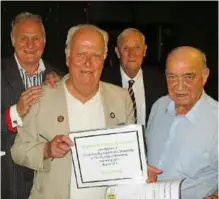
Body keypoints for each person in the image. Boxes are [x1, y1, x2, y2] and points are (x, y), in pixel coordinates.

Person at [10, 24, 135, 199]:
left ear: (104, 59)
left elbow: (130, 155)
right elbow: (18, 151)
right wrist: (46, 150)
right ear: (68, 57)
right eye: (81, 54)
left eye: (96, 55)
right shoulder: (41, 98)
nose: (88, 63)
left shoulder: (121, 99)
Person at [1, 12, 63, 199]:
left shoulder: (60, 77)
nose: (30, 45)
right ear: (13, 40)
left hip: (49, 180)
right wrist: (16, 111)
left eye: (36, 38)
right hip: (7, 178)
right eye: (23, 38)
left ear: (44, 42)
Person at [146, 46, 218, 199]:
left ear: (204, 76)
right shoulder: (159, 106)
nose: (179, 86)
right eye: (172, 77)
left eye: (188, 77)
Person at [101, 28, 167, 126]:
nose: (132, 54)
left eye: (137, 47)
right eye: (126, 48)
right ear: (117, 52)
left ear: (144, 51)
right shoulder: (103, 81)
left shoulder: (160, 82)